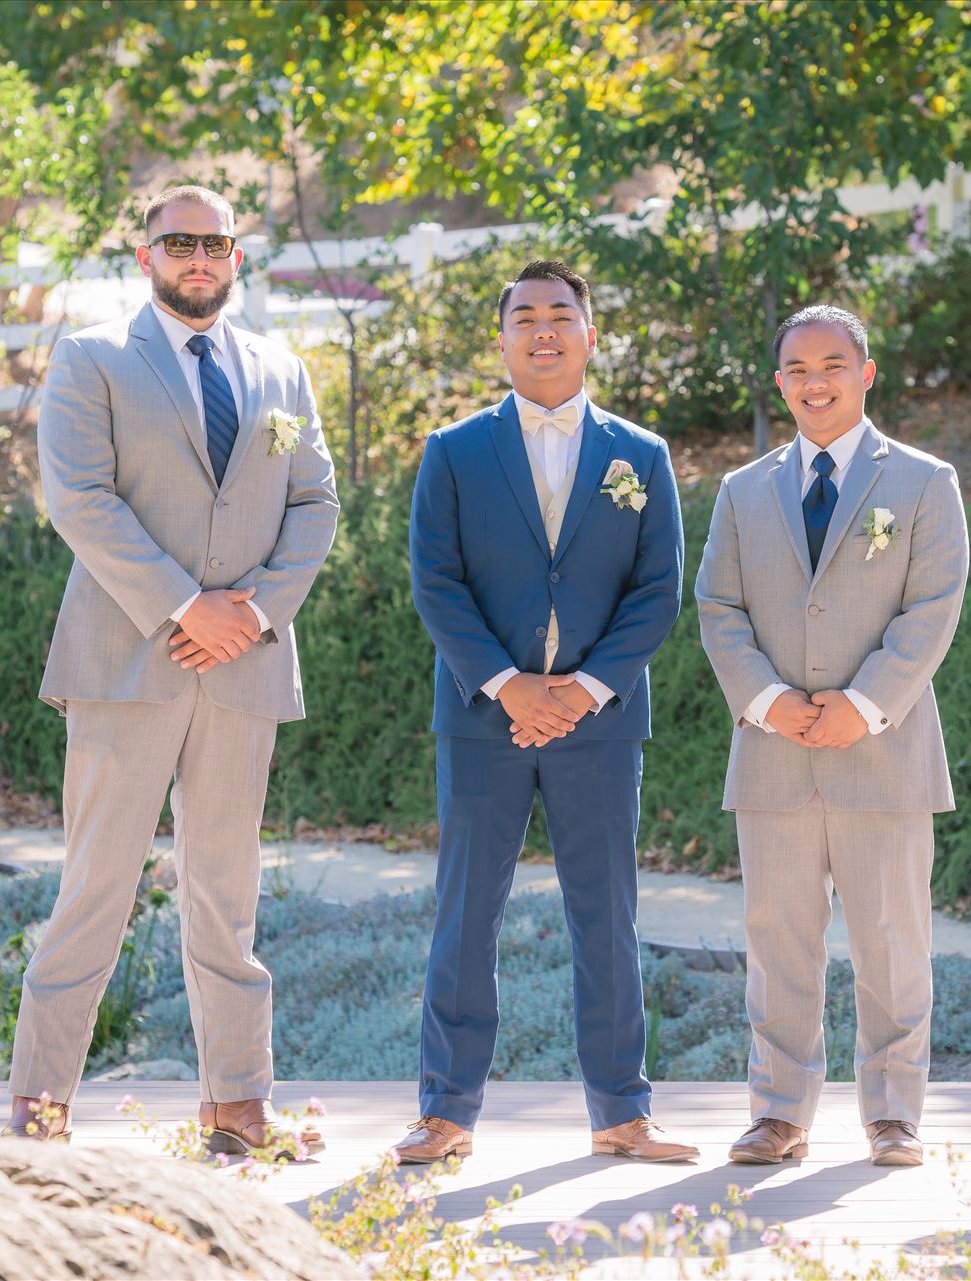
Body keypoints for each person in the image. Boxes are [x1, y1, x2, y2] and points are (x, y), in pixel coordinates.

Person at [6, 185, 338, 1157]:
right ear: (145, 254)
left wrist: (255, 612)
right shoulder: (92, 358)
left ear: (239, 257)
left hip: (244, 667)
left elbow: (314, 504)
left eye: (216, 242)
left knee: (227, 898)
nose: (199, 256)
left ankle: (238, 1107)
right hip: (126, 663)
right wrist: (185, 604)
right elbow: (80, 497)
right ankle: (40, 1108)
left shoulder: (282, 369)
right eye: (179, 241)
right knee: (96, 890)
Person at [396, 260, 694, 1164]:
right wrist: (509, 684)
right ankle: (446, 1111)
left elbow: (657, 589)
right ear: (502, 339)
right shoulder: (453, 450)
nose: (544, 330)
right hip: (482, 719)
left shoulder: (640, 455)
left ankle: (620, 1110)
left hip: (600, 723)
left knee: (606, 914)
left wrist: (584, 689)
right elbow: (436, 583)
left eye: (561, 314)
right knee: (466, 912)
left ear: (590, 333)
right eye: (524, 316)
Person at [695, 305, 969, 1167]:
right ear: (779, 383)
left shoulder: (925, 482)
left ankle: (894, 1111)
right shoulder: (743, 491)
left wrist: (866, 702)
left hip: (883, 749)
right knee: (777, 941)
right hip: (774, 750)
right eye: (797, 369)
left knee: (892, 937)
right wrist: (768, 700)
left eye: (832, 365)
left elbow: (933, 609)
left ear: (866, 371)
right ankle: (778, 1110)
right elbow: (718, 608)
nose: (815, 382)